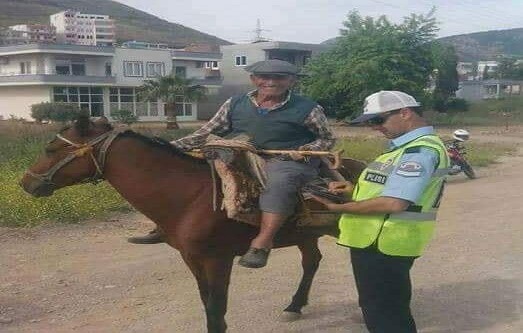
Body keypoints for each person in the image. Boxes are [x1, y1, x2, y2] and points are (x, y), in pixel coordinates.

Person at [128, 59, 335, 269]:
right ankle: (164, 227)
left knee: (279, 182)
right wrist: (172, 148)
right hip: (238, 154)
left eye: (279, 77)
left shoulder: (308, 108)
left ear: (291, 81)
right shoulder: (235, 103)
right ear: (254, 79)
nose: (271, 82)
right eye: (264, 77)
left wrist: (303, 151)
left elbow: (326, 139)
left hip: (285, 159)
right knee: (189, 176)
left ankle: (262, 243)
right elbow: (208, 132)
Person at [312, 91, 450, 333]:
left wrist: (341, 208)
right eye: (369, 122)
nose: (374, 128)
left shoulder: (418, 152)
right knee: (386, 308)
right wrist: (352, 191)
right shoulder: (403, 148)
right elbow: (386, 190)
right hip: (380, 240)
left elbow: (395, 203)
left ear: (405, 113)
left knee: (385, 314)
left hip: (384, 241)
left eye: (378, 120)